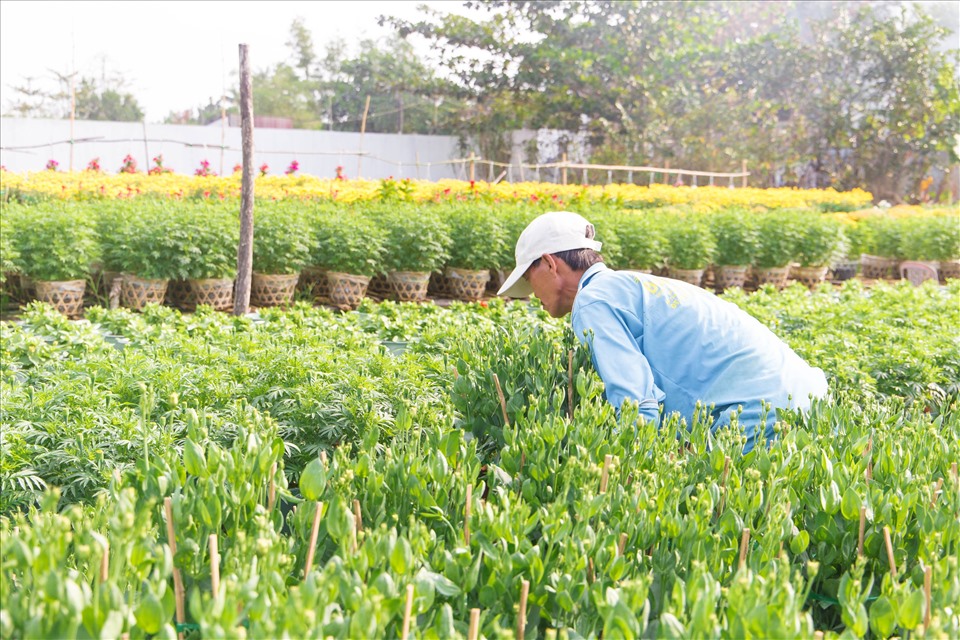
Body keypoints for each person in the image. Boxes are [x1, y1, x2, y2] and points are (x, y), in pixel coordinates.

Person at [497, 211, 828, 454]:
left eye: (528, 277)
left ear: (550, 263)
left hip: (758, 412)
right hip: (807, 398)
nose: (530, 292)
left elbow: (637, 405)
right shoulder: (630, 286)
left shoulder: (593, 301)